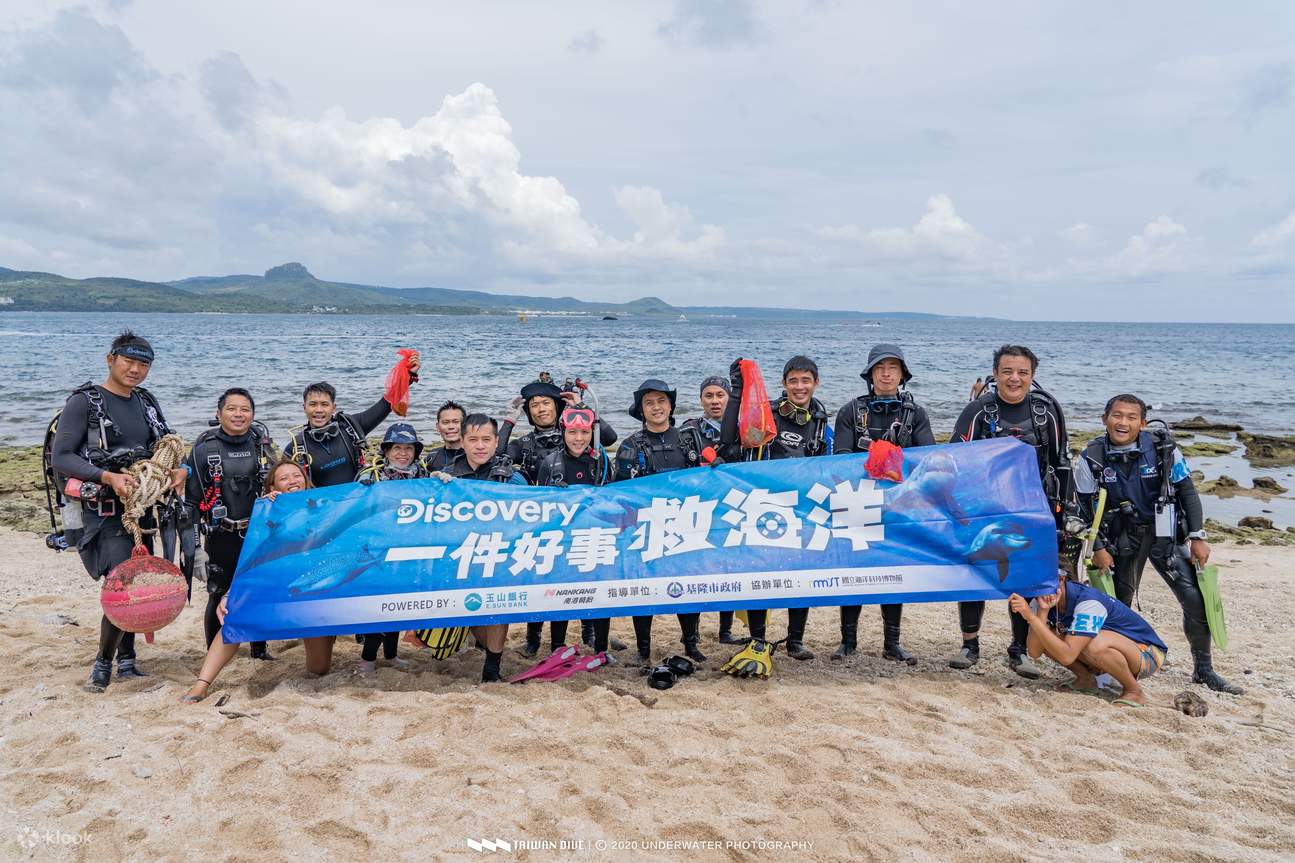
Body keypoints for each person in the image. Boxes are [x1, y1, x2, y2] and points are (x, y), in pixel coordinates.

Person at [1075, 394, 1241, 694]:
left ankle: (1204, 670)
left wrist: (1197, 536)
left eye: (1130, 417)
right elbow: (1084, 507)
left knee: (1195, 600)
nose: (1122, 422)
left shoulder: (1164, 449)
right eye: (1116, 415)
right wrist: (1097, 546)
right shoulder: (1091, 457)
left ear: (1142, 423)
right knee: (1116, 606)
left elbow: (1188, 492)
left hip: (1164, 535)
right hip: (1121, 538)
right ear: (1104, 419)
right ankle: (1109, 667)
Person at [51, 331, 186, 693]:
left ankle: (127, 660)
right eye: (129, 361)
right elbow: (61, 457)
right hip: (104, 510)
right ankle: (102, 664)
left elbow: (169, 443)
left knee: (138, 580)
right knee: (122, 584)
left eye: (144, 364)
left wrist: (179, 469)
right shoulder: (84, 402)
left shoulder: (146, 401)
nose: (136, 370)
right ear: (110, 359)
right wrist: (107, 476)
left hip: (141, 509)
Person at [948, 345, 1070, 679]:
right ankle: (969, 645)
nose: (1014, 379)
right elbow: (953, 460)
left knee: (1024, 579)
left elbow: (1062, 462)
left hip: (1032, 510)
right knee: (976, 575)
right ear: (996, 374)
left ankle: (1018, 650)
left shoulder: (1046, 411)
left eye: (1022, 373)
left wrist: (1064, 515)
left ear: (1032, 375)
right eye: (1007, 372)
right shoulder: (978, 411)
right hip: (983, 510)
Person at [182, 459, 326, 701]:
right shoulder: (265, 511)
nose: (292, 480)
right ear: (272, 487)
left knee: (319, 668)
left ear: (305, 479)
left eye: (296, 475)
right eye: (284, 478)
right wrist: (231, 593)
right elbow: (252, 556)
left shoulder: (323, 506)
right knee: (234, 616)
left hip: (310, 588)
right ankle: (201, 683)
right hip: (272, 583)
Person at [720, 356, 832, 664]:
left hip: (801, 507)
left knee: (800, 574)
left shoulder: (821, 422)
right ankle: (758, 637)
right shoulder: (765, 413)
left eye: (805, 380)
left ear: (816, 383)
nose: (799, 387)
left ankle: (795, 640)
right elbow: (730, 441)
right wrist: (738, 391)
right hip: (762, 504)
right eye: (793, 381)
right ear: (784, 383)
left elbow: (831, 465)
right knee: (759, 573)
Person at [832, 344, 936, 664]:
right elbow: (839, 459)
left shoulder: (915, 413)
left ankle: (892, 643)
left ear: (902, 374)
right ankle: (848, 641)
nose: (887, 373)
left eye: (893, 367)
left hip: (898, 503)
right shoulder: (851, 411)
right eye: (880, 368)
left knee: (893, 573)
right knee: (854, 572)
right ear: (870, 374)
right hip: (858, 501)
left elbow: (927, 459)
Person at [613, 379, 711, 665]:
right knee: (644, 592)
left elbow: (706, 481)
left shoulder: (690, 439)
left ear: (671, 406)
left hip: (685, 526)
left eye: (661, 401)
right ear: (641, 410)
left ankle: (691, 644)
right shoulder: (630, 445)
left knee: (687, 588)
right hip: (646, 529)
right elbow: (621, 493)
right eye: (649, 403)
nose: (656, 407)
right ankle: (643, 647)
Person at [184, 387, 276, 662]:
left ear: (253, 414)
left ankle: (259, 649)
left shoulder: (261, 443)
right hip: (221, 533)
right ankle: (214, 650)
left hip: (258, 534)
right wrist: (194, 549)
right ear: (218, 412)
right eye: (232, 408)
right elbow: (190, 503)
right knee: (218, 593)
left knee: (257, 590)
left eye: (245, 409)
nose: (239, 414)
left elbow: (278, 482)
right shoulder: (204, 448)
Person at [432, 413, 526, 681]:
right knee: (473, 620)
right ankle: (477, 639)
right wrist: (434, 489)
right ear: (462, 442)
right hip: (461, 559)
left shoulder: (513, 478)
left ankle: (492, 667)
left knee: (498, 606)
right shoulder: (445, 477)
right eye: (473, 439)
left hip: (500, 559)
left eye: (486, 439)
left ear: (496, 442)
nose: (480, 446)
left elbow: (534, 517)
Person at [1008, 571, 1168, 707]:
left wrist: (1031, 617)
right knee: (1047, 635)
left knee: (1093, 644)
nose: (1036, 587)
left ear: (1061, 579)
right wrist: (1041, 614)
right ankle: (1086, 680)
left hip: (1147, 653)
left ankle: (1134, 690)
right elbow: (1035, 652)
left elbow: (1067, 655)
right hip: (1119, 649)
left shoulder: (1088, 601)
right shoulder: (1042, 599)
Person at [534, 407, 616, 659]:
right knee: (561, 595)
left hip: (596, 539)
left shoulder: (601, 462)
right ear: (563, 432)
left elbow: (613, 501)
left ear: (592, 432)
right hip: (563, 541)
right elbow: (540, 506)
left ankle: (601, 649)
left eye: (584, 432)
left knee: (600, 596)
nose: (578, 438)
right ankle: (557, 647)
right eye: (572, 432)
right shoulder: (550, 463)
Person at [354, 422, 430, 673]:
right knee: (380, 606)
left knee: (401, 604)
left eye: (409, 448)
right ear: (386, 450)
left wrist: (442, 482)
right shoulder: (370, 476)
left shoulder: (424, 476)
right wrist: (360, 492)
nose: (402, 453)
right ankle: (367, 658)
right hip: (376, 550)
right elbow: (351, 511)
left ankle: (391, 654)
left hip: (410, 549)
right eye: (396, 447)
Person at [284, 351, 420, 487]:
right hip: (323, 506)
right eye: (313, 404)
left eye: (324, 404)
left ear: (333, 408)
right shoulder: (296, 448)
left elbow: (385, 404)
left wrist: (408, 377)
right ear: (304, 407)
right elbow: (280, 481)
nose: (318, 410)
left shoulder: (350, 427)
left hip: (356, 504)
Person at [682, 376, 743, 644]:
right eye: (708, 396)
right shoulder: (688, 429)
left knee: (729, 569)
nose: (715, 401)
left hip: (731, 507)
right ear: (700, 400)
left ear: (730, 398)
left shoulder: (743, 428)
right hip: (699, 509)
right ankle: (691, 635)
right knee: (695, 570)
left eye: (720, 395)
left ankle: (725, 631)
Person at [422, 400, 466, 472]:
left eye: (456, 422)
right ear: (438, 427)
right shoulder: (432, 457)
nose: (451, 426)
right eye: (446, 422)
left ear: (465, 425)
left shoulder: (476, 456)